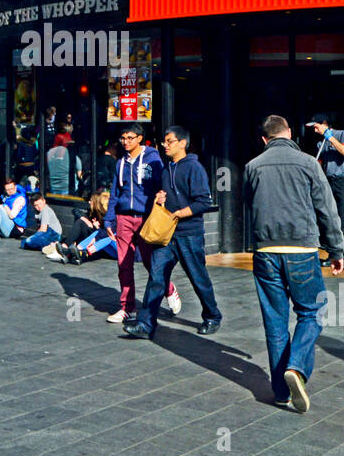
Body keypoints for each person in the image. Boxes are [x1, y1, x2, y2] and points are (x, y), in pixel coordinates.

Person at [245, 115, 344, 412]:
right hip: (301, 249)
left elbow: (250, 205)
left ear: (264, 139)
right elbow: (327, 209)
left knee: (275, 322)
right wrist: (336, 249)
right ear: (289, 134)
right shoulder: (309, 163)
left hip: (266, 251)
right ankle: (297, 367)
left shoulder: (252, 167)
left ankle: (280, 391)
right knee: (312, 311)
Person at [124, 125, 222, 339]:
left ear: (182, 143)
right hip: (166, 234)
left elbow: (203, 201)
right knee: (157, 277)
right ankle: (145, 323)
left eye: (170, 141)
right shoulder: (166, 169)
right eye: (164, 141)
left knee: (198, 277)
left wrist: (179, 213)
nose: (165, 145)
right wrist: (160, 198)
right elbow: (165, 195)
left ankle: (212, 315)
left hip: (189, 234)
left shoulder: (194, 168)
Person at [105, 123, 178, 324]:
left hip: (146, 218)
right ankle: (127, 307)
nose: (126, 142)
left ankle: (168, 288)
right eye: (123, 138)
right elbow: (115, 193)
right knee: (124, 263)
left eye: (130, 138)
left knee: (149, 262)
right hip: (124, 218)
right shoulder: (120, 163)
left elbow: (162, 185)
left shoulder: (152, 159)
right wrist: (109, 218)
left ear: (139, 138)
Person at [308, 113, 344, 269]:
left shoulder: (342, 134)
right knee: (329, 219)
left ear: (325, 123)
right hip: (328, 182)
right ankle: (333, 254)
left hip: (343, 181)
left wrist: (330, 138)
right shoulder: (319, 144)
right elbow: (319, 165)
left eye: (316, 127)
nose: (315, 131)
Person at [55, 190, 117, 264]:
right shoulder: (95, 213)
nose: (89, 202)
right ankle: (74, 251)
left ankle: (81, 252)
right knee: (82, 223)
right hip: (103, 244)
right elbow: (75, 210)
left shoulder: (115, 217)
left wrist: (96, 230)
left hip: (119, 250)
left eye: (91, 201)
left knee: (110, 235)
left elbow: (108, 232)